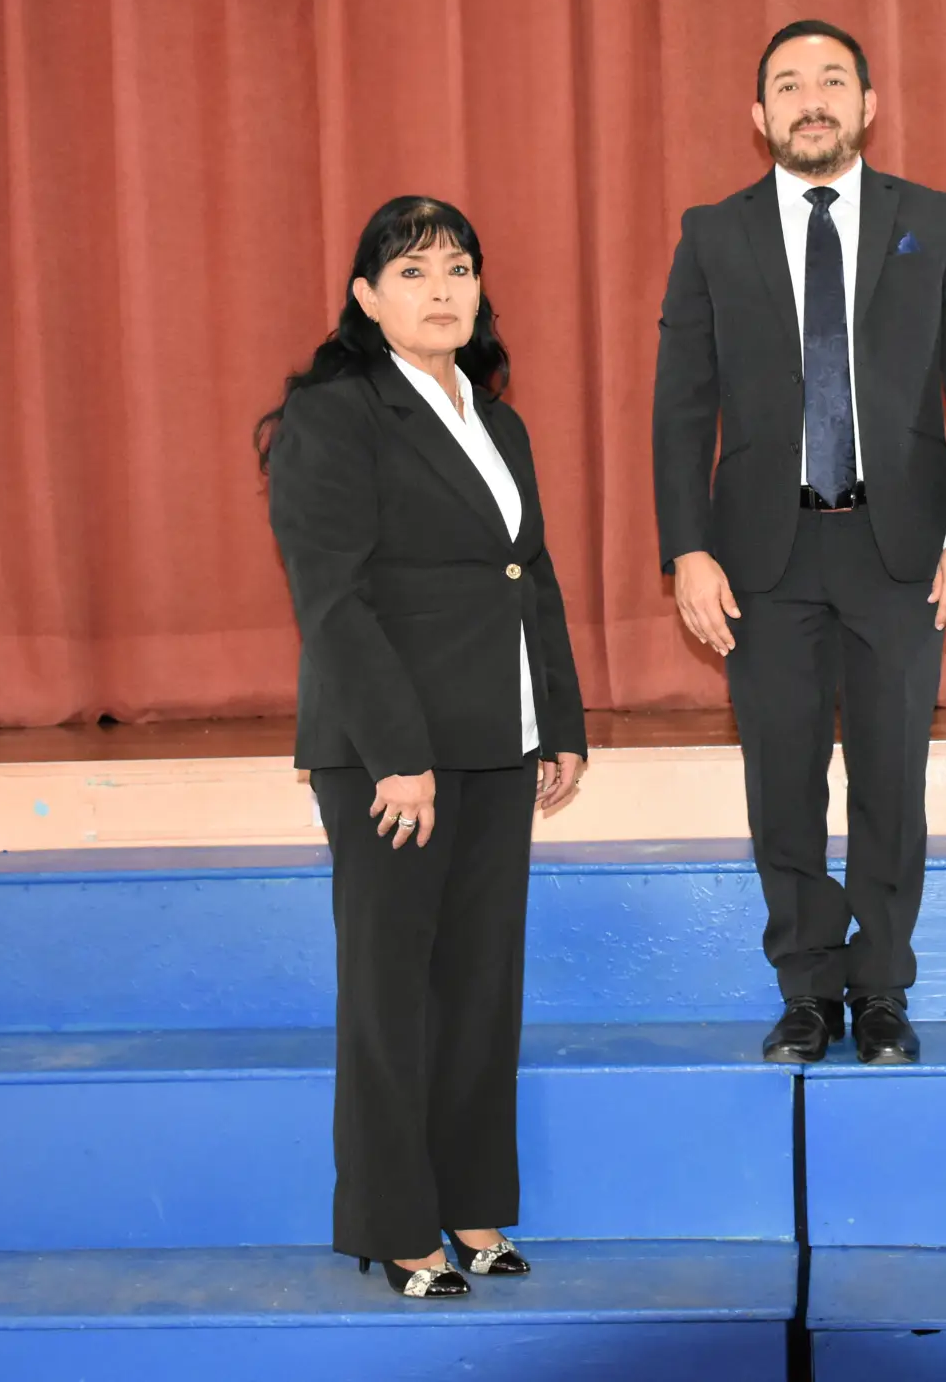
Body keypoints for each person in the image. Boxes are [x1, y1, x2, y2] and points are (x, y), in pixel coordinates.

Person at [652, 21, 946, 1067]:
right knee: (783, 780)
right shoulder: (712, 235)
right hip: (760, 558)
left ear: (867, 105)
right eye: (787, 84)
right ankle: (806, 988)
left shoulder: (934, 221)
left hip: (902, 551)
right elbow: (682, 406)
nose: (810, 100)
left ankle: (883, 985)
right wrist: (687, 548)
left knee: (892, 777)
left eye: (831, 81)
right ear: (758, 114)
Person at [259, 196, 588, 1299]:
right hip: (390, 755)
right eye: (411, 272)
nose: (441, 290)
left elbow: (529, 576)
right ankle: (398, 1226)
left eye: (458, 268)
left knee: (481, 990)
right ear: (365, 297)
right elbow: (332, 600)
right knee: (392, 996)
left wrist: (559, 724)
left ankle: (475, 1209)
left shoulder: (497, 421)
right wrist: (398, 754)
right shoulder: (334, 415)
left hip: (499, 740)